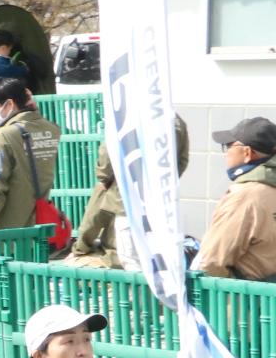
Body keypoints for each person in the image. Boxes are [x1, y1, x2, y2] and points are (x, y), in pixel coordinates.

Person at [70, 112, 189, 267]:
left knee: (132, 265)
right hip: (162, 204)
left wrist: (78, 250)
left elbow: (91, 222)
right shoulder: (175, 119)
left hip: (127, 206)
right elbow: (182, 161)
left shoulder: (126, 114)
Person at [193, 116, 276, 280]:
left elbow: (211, 262)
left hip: (249, 300)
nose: (226, 154)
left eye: (228, 146)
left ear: (247, 153)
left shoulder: (246, 196)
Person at [0, 79, 60, 232]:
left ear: (10, 104)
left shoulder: (1, 137)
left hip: (9, 231)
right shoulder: (51, 129)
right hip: (40, 224)